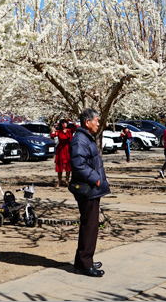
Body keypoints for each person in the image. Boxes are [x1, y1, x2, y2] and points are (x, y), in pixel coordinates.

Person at [69, 108, 109, 277]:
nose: (98, 123)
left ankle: (83, 260)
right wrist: (96, 179)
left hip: (91, 188)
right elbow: (79, 165)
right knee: (90, 226)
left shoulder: (85, 138)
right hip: (87, 188)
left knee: (90, 225)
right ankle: (85, 263)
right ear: (87, 122)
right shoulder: (80, 140)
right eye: (97, 120)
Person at [51, 120, 74, 187]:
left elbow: (77, 127)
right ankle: (60, 180)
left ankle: (67, 180)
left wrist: (72, 121)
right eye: (63, 123)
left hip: (68, 148)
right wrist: (54, 129)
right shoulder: (59, 131)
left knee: (68, 165)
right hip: (60, 149)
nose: (64, 124)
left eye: (65, 123)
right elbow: (53, 135)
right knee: (60, 165)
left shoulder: (70, 131)